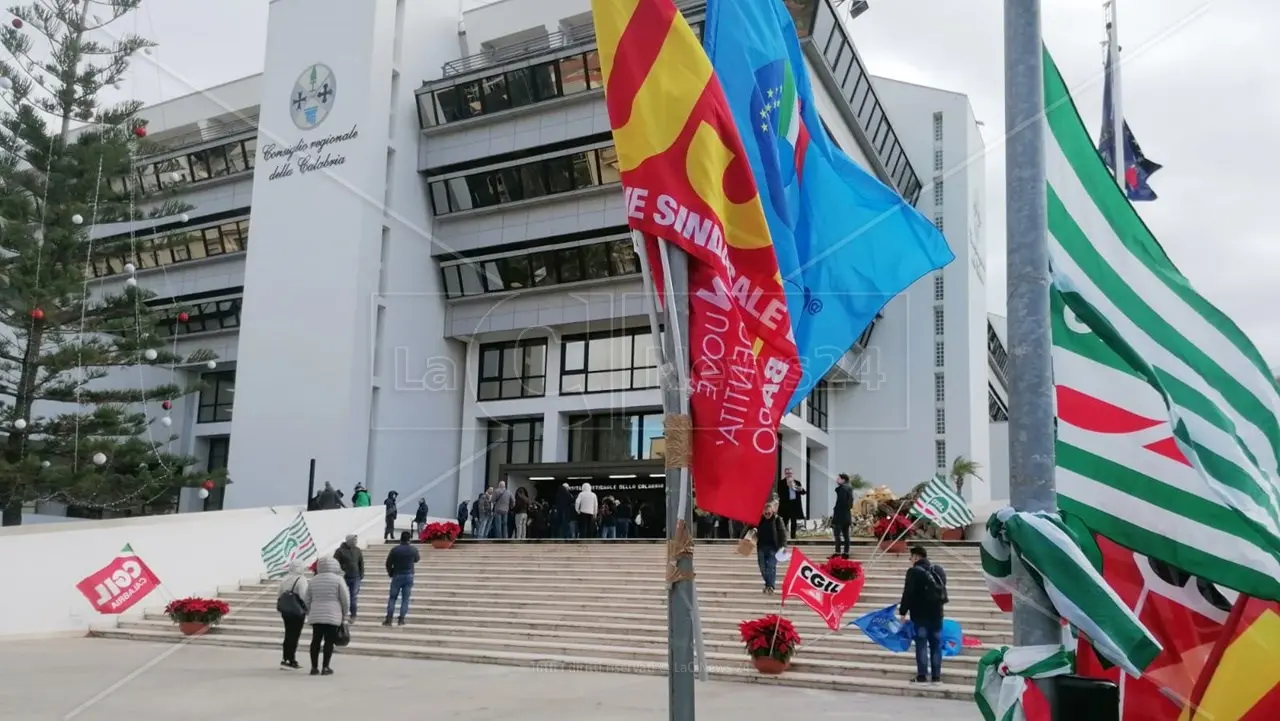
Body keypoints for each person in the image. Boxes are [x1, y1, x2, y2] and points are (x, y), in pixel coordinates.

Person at [899, 545, 949, 684]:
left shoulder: (913, 572)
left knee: (921, 644)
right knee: (936, 644)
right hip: (937, 614)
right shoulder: (938, 570)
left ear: (916, 556)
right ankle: (936, 676)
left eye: (911, 557)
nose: (910, 560)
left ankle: (922, 676)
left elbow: (908, 593)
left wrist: (903, 612)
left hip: (920, 615)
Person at [304, 557, 350, 676]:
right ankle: (325, 667)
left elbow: (307, 599)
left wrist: (310, 611)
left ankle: (314, 667)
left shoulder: (313, 580)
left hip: (316, 615)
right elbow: (345, 599)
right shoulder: (338, 580)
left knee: (315, 640)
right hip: (332, 614)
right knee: (329, 641)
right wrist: (345, 614)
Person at [276, 561, 310, 669]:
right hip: (297, 611)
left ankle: (285, 658)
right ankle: (292, 659)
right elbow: (304, 596)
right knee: (295, 635)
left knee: (288, 633)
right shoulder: (301, 579)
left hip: (286, 611)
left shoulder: (284, 579)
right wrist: (308, 608)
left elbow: (279, 594)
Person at [383, 530, 420, 626]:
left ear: (400, 539)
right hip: (409, 575)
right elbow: (417, 559)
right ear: (409, 539)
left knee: (392, 598)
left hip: (397, 575)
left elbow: (388, 563)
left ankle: (389, 619)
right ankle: (401, 619)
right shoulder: (413, 549)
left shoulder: (395, 550)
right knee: (405, 599)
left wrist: (391, 572)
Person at [752, 500, 788, 594]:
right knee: (763, 568)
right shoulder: (759, 519)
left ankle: (770, 586)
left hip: (774, 548)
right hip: (761, 548)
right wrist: (743, 537)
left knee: (771, 566)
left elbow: (783, 533)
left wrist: (783, 546)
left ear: (773, 511)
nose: (767, 514)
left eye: (769, 512)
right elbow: (749, 527)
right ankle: (768, 585)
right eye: (766, 512)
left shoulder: (777, 519)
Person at [332, 534, 364, 621]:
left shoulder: (358, 550)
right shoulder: (339, 551)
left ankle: (353, 615)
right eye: (354, 540)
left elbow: (361, 563)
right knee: (342, 596)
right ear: (349, 541)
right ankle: (341, 615)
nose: (356, 542)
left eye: (356, 540)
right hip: (343, 577)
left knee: (353, 596)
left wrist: (361, 575)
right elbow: (335, 564)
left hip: (356, 577)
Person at [778, 469, 806, 537]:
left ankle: (793, 536)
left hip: (794, 504)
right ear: (785, 474)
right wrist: (787, 486)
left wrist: (796, 487)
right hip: (785, 505)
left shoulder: (797, 482)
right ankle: (783, 537)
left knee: (794, 521)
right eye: (787, 473)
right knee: (785, 521)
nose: (789, 474)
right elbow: (779, 492)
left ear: (792, 474)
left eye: (790, 473)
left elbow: (803, 492)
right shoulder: (781, 482)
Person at [832, 473, 854, 558]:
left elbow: (841, 502)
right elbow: (850, 504)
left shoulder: (843, 489)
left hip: (840, 516)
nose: (837, 480)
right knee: (846, 535)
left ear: (843, 480)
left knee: (837, 535)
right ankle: (846, 552)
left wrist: (836, 512)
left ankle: (837, 552)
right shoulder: (849, 489)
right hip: (847, 515)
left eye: (838, 479)